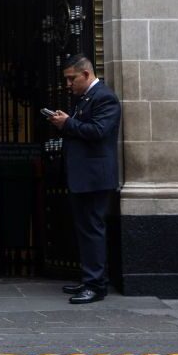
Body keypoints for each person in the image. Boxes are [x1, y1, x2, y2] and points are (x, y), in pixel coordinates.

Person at [47, 53, 121, 305]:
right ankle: (90, 279)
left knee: (92, 230)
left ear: (86, 74)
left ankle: (96, 285)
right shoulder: (86, 98)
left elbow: (98, 131)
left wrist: (67, 124)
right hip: (84, 177)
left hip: (94, 179)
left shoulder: (105, 97)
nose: (68, 84)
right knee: (86, 230)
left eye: (71, 79)